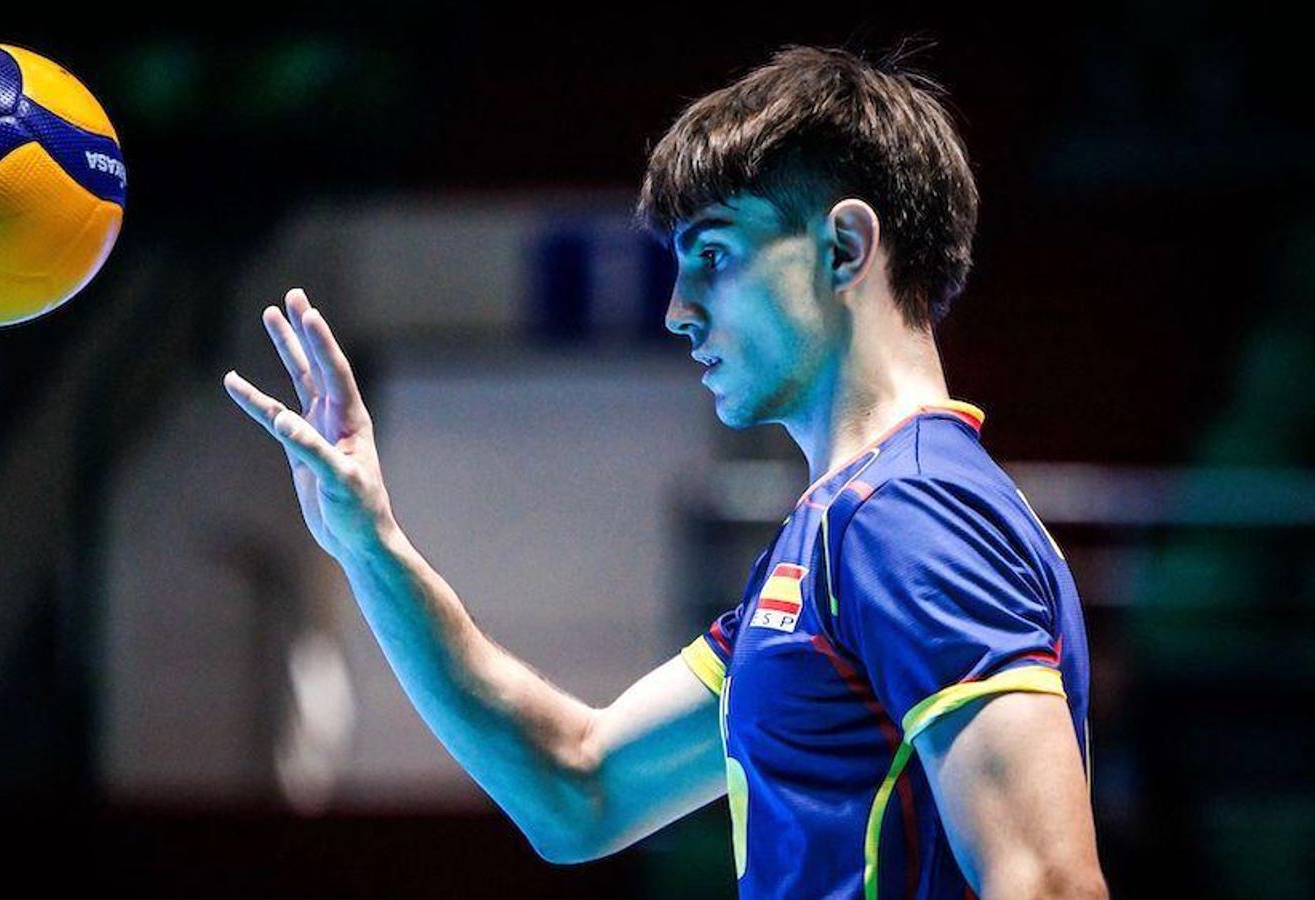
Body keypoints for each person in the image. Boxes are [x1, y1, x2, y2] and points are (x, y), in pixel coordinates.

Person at [223, 44, 1107, 900]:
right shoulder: (838, 534)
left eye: (715, 256)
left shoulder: (911, 514)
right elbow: (579, 788)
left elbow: (1050, 882)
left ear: (844, 248)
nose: (679, 311)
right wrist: (366, 544)